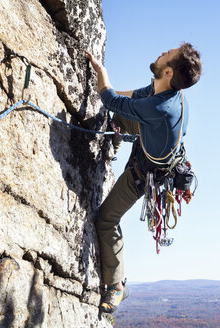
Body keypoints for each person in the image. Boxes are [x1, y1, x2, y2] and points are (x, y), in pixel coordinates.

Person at [85, 42, 202, 313]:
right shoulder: (163, 92)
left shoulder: (160, 108)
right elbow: (130, 99)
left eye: (167, 55)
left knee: (106, 219)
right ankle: (110, 144)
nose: (162, 52)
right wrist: (114, 98)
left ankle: (115, 287)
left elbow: (112, 99)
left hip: (144, 173)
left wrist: (100, 71)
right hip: (148, 138)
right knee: (122, 115)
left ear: (169, 72)